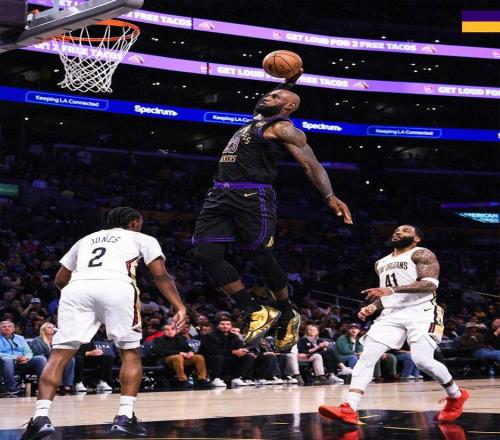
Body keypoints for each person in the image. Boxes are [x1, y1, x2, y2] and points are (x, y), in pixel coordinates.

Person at [192, 71, 352, 352]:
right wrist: (289, 81)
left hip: (252, 194)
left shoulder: (282, 128)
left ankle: (287, 312)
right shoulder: (257, 118)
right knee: (205, 254)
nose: (268, 96)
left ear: (288, 107)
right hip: (218, 193)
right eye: (269, 94)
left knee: (260, 254)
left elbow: (311, 164)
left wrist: (330, 196)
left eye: (276, 96)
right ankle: (254, 310)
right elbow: (270, 98)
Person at [21, 207, 187, 439]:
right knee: (129, 352)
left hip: (77, 288)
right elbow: (160, 275)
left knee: (59, 354)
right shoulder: (142, 238)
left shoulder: (85, 239)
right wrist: (179, 306)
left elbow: (60, 279)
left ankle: (40, 417)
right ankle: (125, 416)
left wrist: (80, 299)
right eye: (139, 223)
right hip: (117, 286)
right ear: (133, 223)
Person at [319, 225, 469, 424]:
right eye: (397, 230)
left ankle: (456, 395)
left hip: (421, 312)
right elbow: (389, 296)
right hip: (391, 315)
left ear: (416, 238)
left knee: (422, 361)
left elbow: (430, 284)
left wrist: (391, 290)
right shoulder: (380, 262)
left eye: (405, 230)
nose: (398, 232)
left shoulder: (421, 253)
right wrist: (373, 306)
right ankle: (350, 408)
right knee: (367, 357)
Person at [152, 323, 209, 387]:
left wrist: (191, 352)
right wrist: (179, 352)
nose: (170, 331)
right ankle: (182, 380)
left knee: (199, 357)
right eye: (167, 330)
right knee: (178, 357)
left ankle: (201, 379)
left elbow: (189, 348)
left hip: (182, 359)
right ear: (163, 332)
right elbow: (159, 351)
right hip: (166, 359)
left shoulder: (181, 338)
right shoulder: (158, 339)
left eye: (172, 329)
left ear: (176, 330)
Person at [0, 320, 47, 395]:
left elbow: (28, 352)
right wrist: (16, 357)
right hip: (4, 363)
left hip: (22, 362)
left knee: (41, 359)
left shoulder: (20, 338)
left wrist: (26, 358)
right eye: (4, 327)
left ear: (13, 329)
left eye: (9, 326)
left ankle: (42, 387)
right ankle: (12, 389)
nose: (7, 328)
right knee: (7, 360)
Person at [29, 322, 75, 392]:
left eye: (53, 327)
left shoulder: (58, 340)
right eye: (49, 327)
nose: (52, 329)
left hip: (56, 359)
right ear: (43, 330)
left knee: (70, 359)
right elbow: (36, 353)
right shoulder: (37, 340)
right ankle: (57, 384)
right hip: (44, 359)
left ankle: (67, 384)